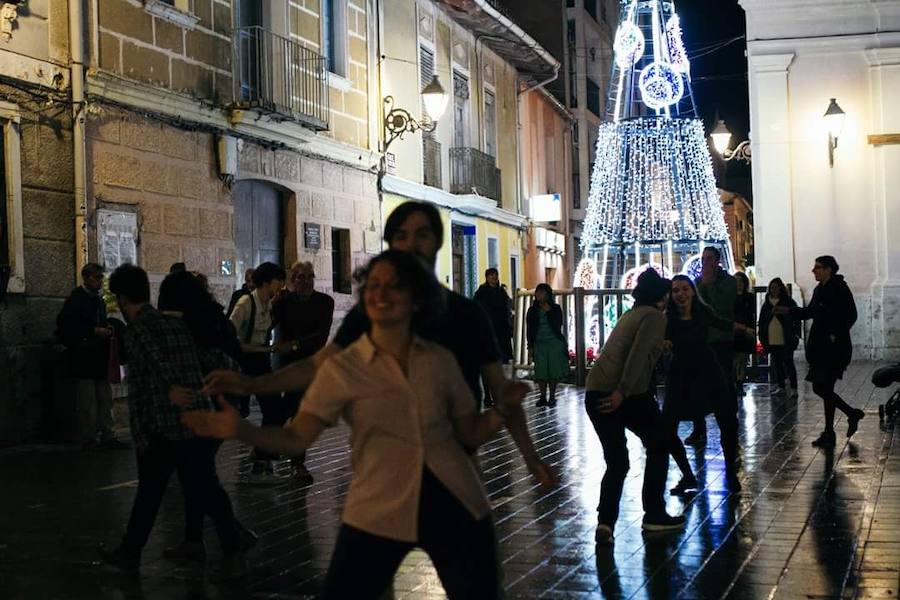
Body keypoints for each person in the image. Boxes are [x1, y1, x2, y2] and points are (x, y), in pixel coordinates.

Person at [183, 250, 515, 598]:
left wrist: (500, 413)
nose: (382, 295)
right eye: (374, 286)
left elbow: (469, 432)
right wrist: (241, 429)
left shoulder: (438, 360)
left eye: (394, 287)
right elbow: (297, 436)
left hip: (454, 504)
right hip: (377, 508)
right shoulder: (348, 367)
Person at [204, 201, 555, 486]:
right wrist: (252, 386)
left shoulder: (466, 315)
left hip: (450, 481)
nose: (411, 244)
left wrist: (531, 457)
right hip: (380, 490)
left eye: (422, 234)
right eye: (401, 236)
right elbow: (317, 367)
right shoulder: (368, 315)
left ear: (436, 241)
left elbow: (499, 393)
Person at [99, 264, 243, 576]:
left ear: (122, 299)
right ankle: (230, 541)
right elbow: (208, 358)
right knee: (198, 485)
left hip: (163, 426)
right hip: (196, 423)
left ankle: (230, 542)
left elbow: (155, 360)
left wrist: (173, 386)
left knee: (155, 491)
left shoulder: (137, 329)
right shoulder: (175, 324)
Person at [157, 271, 254, 564]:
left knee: (199, 476)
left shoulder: (192, 325)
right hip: (224, 403)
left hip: (207, 407)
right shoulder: (214, 318)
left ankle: (231, 537)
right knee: (196, 474)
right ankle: (197, 539)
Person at [584, 269, 685, 545]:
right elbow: (637, 355)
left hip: (596, 391)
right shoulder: (654, 317)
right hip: (624, 393)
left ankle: (605, 524)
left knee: (617, 461)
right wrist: (622, 392)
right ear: (662, 296)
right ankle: (653, 513)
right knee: (660, 442)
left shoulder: (632, 314)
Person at [665, 275, 752, 493]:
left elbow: (720, 322)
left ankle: (731, 474)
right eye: (676, 290)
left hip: (707, 371)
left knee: (727, 422)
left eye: (685, 289)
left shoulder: (702, 312)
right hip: (682, 375)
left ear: (693, 292)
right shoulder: (667, 319)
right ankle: (687, 475)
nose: (681, 294)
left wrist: (741, 328)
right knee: (667, 428)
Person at [777, 256, 863, 448]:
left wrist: (836, 333)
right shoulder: (819, 290)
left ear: (828, 269)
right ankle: (831, 430)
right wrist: (789, 311)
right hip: (821, 348)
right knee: (825, 388)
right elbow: (811, 312)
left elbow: (851, 314)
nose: (813, 270)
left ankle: (849, 415)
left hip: (834, 349)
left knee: (821, 388)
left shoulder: (839, 288)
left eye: (817, 267)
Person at [271, 260, 335, 482]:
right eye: (300, 277)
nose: (306, 282)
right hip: (284, 364)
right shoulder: (283, 302)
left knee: (297, 411)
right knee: (284, 409)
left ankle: (293, 461)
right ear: (292, 280)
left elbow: (320, 337)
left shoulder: (325, 302)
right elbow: (268, 323)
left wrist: (295, 345)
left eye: (310, 277)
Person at [229, 261, 291, 481]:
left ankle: (261, 455)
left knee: (276, 410)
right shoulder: (246, 303)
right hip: (246, 364)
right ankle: (260, 460)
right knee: (270, 409)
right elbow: (230, 337)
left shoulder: (270, 305)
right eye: (279, 281)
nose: (282, 286)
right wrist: (270, 348)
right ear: (266, 281)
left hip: (262, 363)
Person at [56, 262, 126, 450]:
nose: (99, 281)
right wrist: (93, 330)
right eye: (96, 277)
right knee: (87, 401)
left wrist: (107, 328)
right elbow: (67, 327)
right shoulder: (76, 300)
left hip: (99, 357)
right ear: (86, 278)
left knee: (105, 398)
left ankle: (107, 434)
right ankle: (88, 437)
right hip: (84, 358)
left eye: (101, 277)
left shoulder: (99, 300)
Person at [691, 246, 738, 445]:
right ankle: (699, 429)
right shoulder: (697, 283)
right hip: (703, 341)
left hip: (722, 341)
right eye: (703, 259)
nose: (705, 262)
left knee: (725, 384)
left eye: (709, 258)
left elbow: (721, 308)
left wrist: (708, 285)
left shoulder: (729, 282)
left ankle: (729, 426)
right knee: (698, 385)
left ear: (717, 261)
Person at [474, 268, 514, 407]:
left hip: (501, 334)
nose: (494, 277)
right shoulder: (481, 293)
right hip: (486, 334)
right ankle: (487, 396)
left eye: (496, 275)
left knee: (499, 367)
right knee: (487, 366)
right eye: (491, 275)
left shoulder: (501, 291)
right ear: (487, 277)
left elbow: (506, 311)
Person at [526, 284, 569, 407]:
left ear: (548, 295)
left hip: (554, 342)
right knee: (541, 371)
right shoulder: (532, 310)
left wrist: (549, 312)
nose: (539, 295)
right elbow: (529, 329)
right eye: (538, 293)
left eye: (542, 293)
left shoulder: (555, 308)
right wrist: (530, 345)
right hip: (539, 342)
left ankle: (552, 396)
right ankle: (542, 396)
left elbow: (558, 324)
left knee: (553, 370)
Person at [758, 278, 800, 398]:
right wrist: (762, 336)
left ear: (781, 289)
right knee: (777, 364)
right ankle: (781, 386)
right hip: (772, 338)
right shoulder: (766, 304)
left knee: (788, 362)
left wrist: (796, 334)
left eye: (776, 287)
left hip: (786, 338)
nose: (774, 290)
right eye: (772, 288)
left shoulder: (788, 302)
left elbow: (796, 318)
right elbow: (762, 321)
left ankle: (793, 388)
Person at [733, 271, 757, 394]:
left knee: (742, 359)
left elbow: (752, 314)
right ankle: (735, 381)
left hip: (746, 331)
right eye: (736, 282)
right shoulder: (730, 297)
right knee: (734, 359)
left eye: (741, 282)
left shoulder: (749, 297)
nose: (739, 284)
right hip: (734, 331)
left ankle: (740, 383)